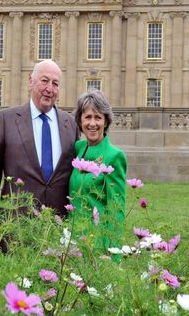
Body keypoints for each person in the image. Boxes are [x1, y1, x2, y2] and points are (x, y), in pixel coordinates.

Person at [0, 59, 79, 220]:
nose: (49, 88)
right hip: (17, 227)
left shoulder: (71, 124)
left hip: (59, 227)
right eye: (44, 81)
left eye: (55, 84)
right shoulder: (7, 119)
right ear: (30, 82)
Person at [68, 89, 127, 253]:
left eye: (98, 117)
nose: (92, 123)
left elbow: (116, 211)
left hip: (97, 243)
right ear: (80, 121)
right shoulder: (78, 149)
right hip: (72, 238)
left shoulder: (115, 156)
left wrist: (113, 254)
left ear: (106, 121)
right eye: (87, 117)